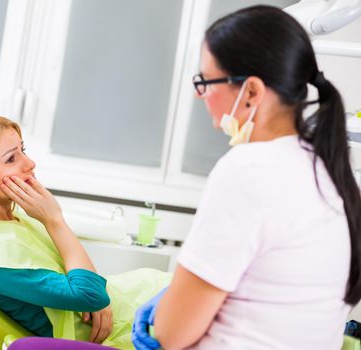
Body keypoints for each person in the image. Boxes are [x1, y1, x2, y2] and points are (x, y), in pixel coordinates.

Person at [132, 5, 361, 350]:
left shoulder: (248, 170)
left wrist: (164, 314)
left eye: (206, 81)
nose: (200, 94)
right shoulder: (329, 169)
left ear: (251, 92)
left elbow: (170, 335)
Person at [0, 114, 171, 349]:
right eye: (11, 159)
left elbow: (85, 283)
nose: (29, 164)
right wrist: (54, 219)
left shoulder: (18, 219)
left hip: (139, 296)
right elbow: (91, 294)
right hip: (132, 322)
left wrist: (100, 299)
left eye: (23, 150)